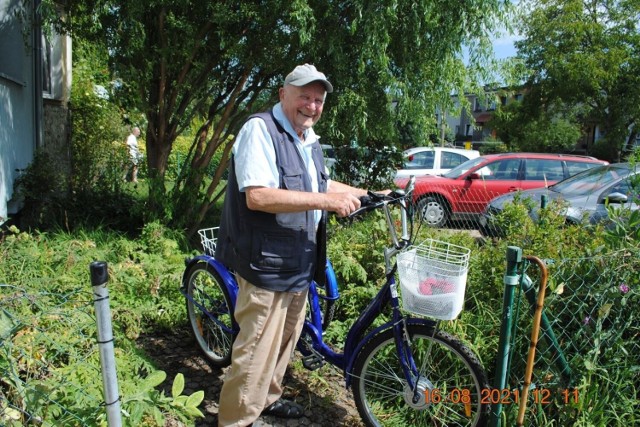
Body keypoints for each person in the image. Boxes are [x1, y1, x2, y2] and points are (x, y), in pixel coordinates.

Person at [214, 64, 371, 427]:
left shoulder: (307, 139)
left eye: (318, 100)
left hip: (299, 261)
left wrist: (369, 194)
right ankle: (235, 420)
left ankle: (266, 400)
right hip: (267, 264)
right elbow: (258, 196)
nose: (312, 105)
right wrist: (325, 202)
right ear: (283, 94)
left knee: (285, 341)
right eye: (304, 96)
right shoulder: (260, 130)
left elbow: (323, 184)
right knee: (255, 350)